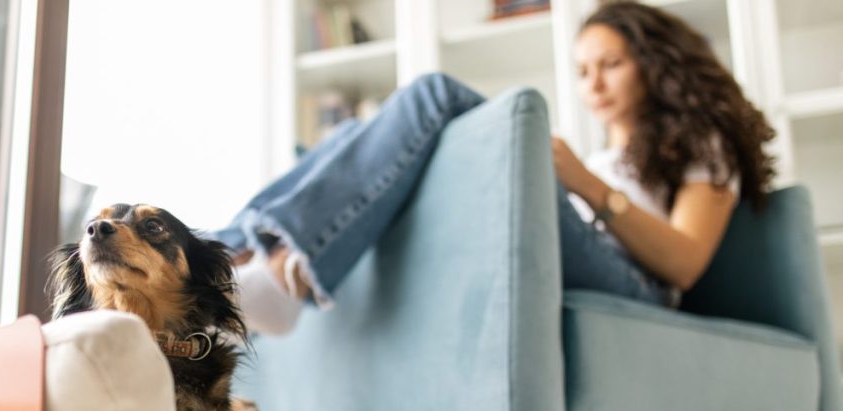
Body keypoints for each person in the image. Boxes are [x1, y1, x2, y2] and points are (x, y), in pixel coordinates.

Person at [216, 1, 776, 336]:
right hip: (572, 248)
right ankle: (242, 255)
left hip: (639, 288)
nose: (593, 85)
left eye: (610, 66)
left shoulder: (702, 141)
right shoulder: (603, 151)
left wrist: (583, 182)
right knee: (356, 139)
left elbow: (684, 264)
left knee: (436, 96)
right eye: (582, 71)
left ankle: (248, 254)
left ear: (653, 68)